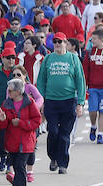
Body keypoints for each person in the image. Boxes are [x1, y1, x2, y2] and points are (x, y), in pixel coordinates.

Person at [36, 32, 86, 174]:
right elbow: (41, 80)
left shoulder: (73, 58)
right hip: (51, 101)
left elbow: (80, 80)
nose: (57, 44)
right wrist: (41, 100)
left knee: (64, 133)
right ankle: (53, 157)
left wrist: (80, 103)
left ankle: (63, 163)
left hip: (69, 100)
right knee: (53, 131)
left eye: (60, 41)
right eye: (55, 41)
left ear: (66, 43)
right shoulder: (48, 59)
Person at [0, 78, 42, 186]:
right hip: (12, 142)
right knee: (15, 165)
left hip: (26, 141)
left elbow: (37, 121)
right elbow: (2, 126)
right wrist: (2, 119)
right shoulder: (6, 104)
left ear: (18, 91)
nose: (8, 92)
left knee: (20, 166)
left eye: (10, 90)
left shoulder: (29, 102)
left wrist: (21, 123)